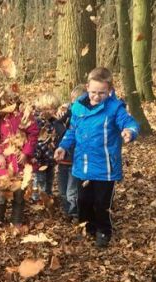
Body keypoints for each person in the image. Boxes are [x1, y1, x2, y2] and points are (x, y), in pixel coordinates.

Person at [54, 67, 140, 248]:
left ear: (109, 90)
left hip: (105, 167)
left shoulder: (115, 108)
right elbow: (72, 131)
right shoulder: (78, 107)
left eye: (101, 93)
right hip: (83, 164)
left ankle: (103, 230)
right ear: (87, 88)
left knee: (101, 202)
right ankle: (87, 227)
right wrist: (63, 146)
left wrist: (129, 131)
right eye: (93, 92)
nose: (96, 96)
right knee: (83, 200)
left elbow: (129, 122)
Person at [0, 90, 39, 233]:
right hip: (3, 167)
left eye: (11, 101)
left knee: (18, 197)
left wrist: (26, 152)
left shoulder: (24, 116)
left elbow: (33, 134)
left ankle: (16, 220)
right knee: (1, 195)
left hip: (20, 164)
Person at [55, 85, 86, 219]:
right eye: (72, 100)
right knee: (62, 190)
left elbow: (67, 133)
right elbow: (57, 127)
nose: (73, 103)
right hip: (63, 159)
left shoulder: (81, 117)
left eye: (76, 101)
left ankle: (74, 213)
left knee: (71, 191)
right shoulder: (67, 114)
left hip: (74, 160)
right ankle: (68, 211)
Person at [31, 93, 66, 202]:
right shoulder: (37, 121)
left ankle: (48, 195)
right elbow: (35, 141)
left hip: (50, 158)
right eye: (51, 109)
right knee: (40, 179)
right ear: (44, 108)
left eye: (55, 109)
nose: (54, 111)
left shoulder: (53, 120)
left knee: (49, 178)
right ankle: (38, 199)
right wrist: (35, 155)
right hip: (39, 158)